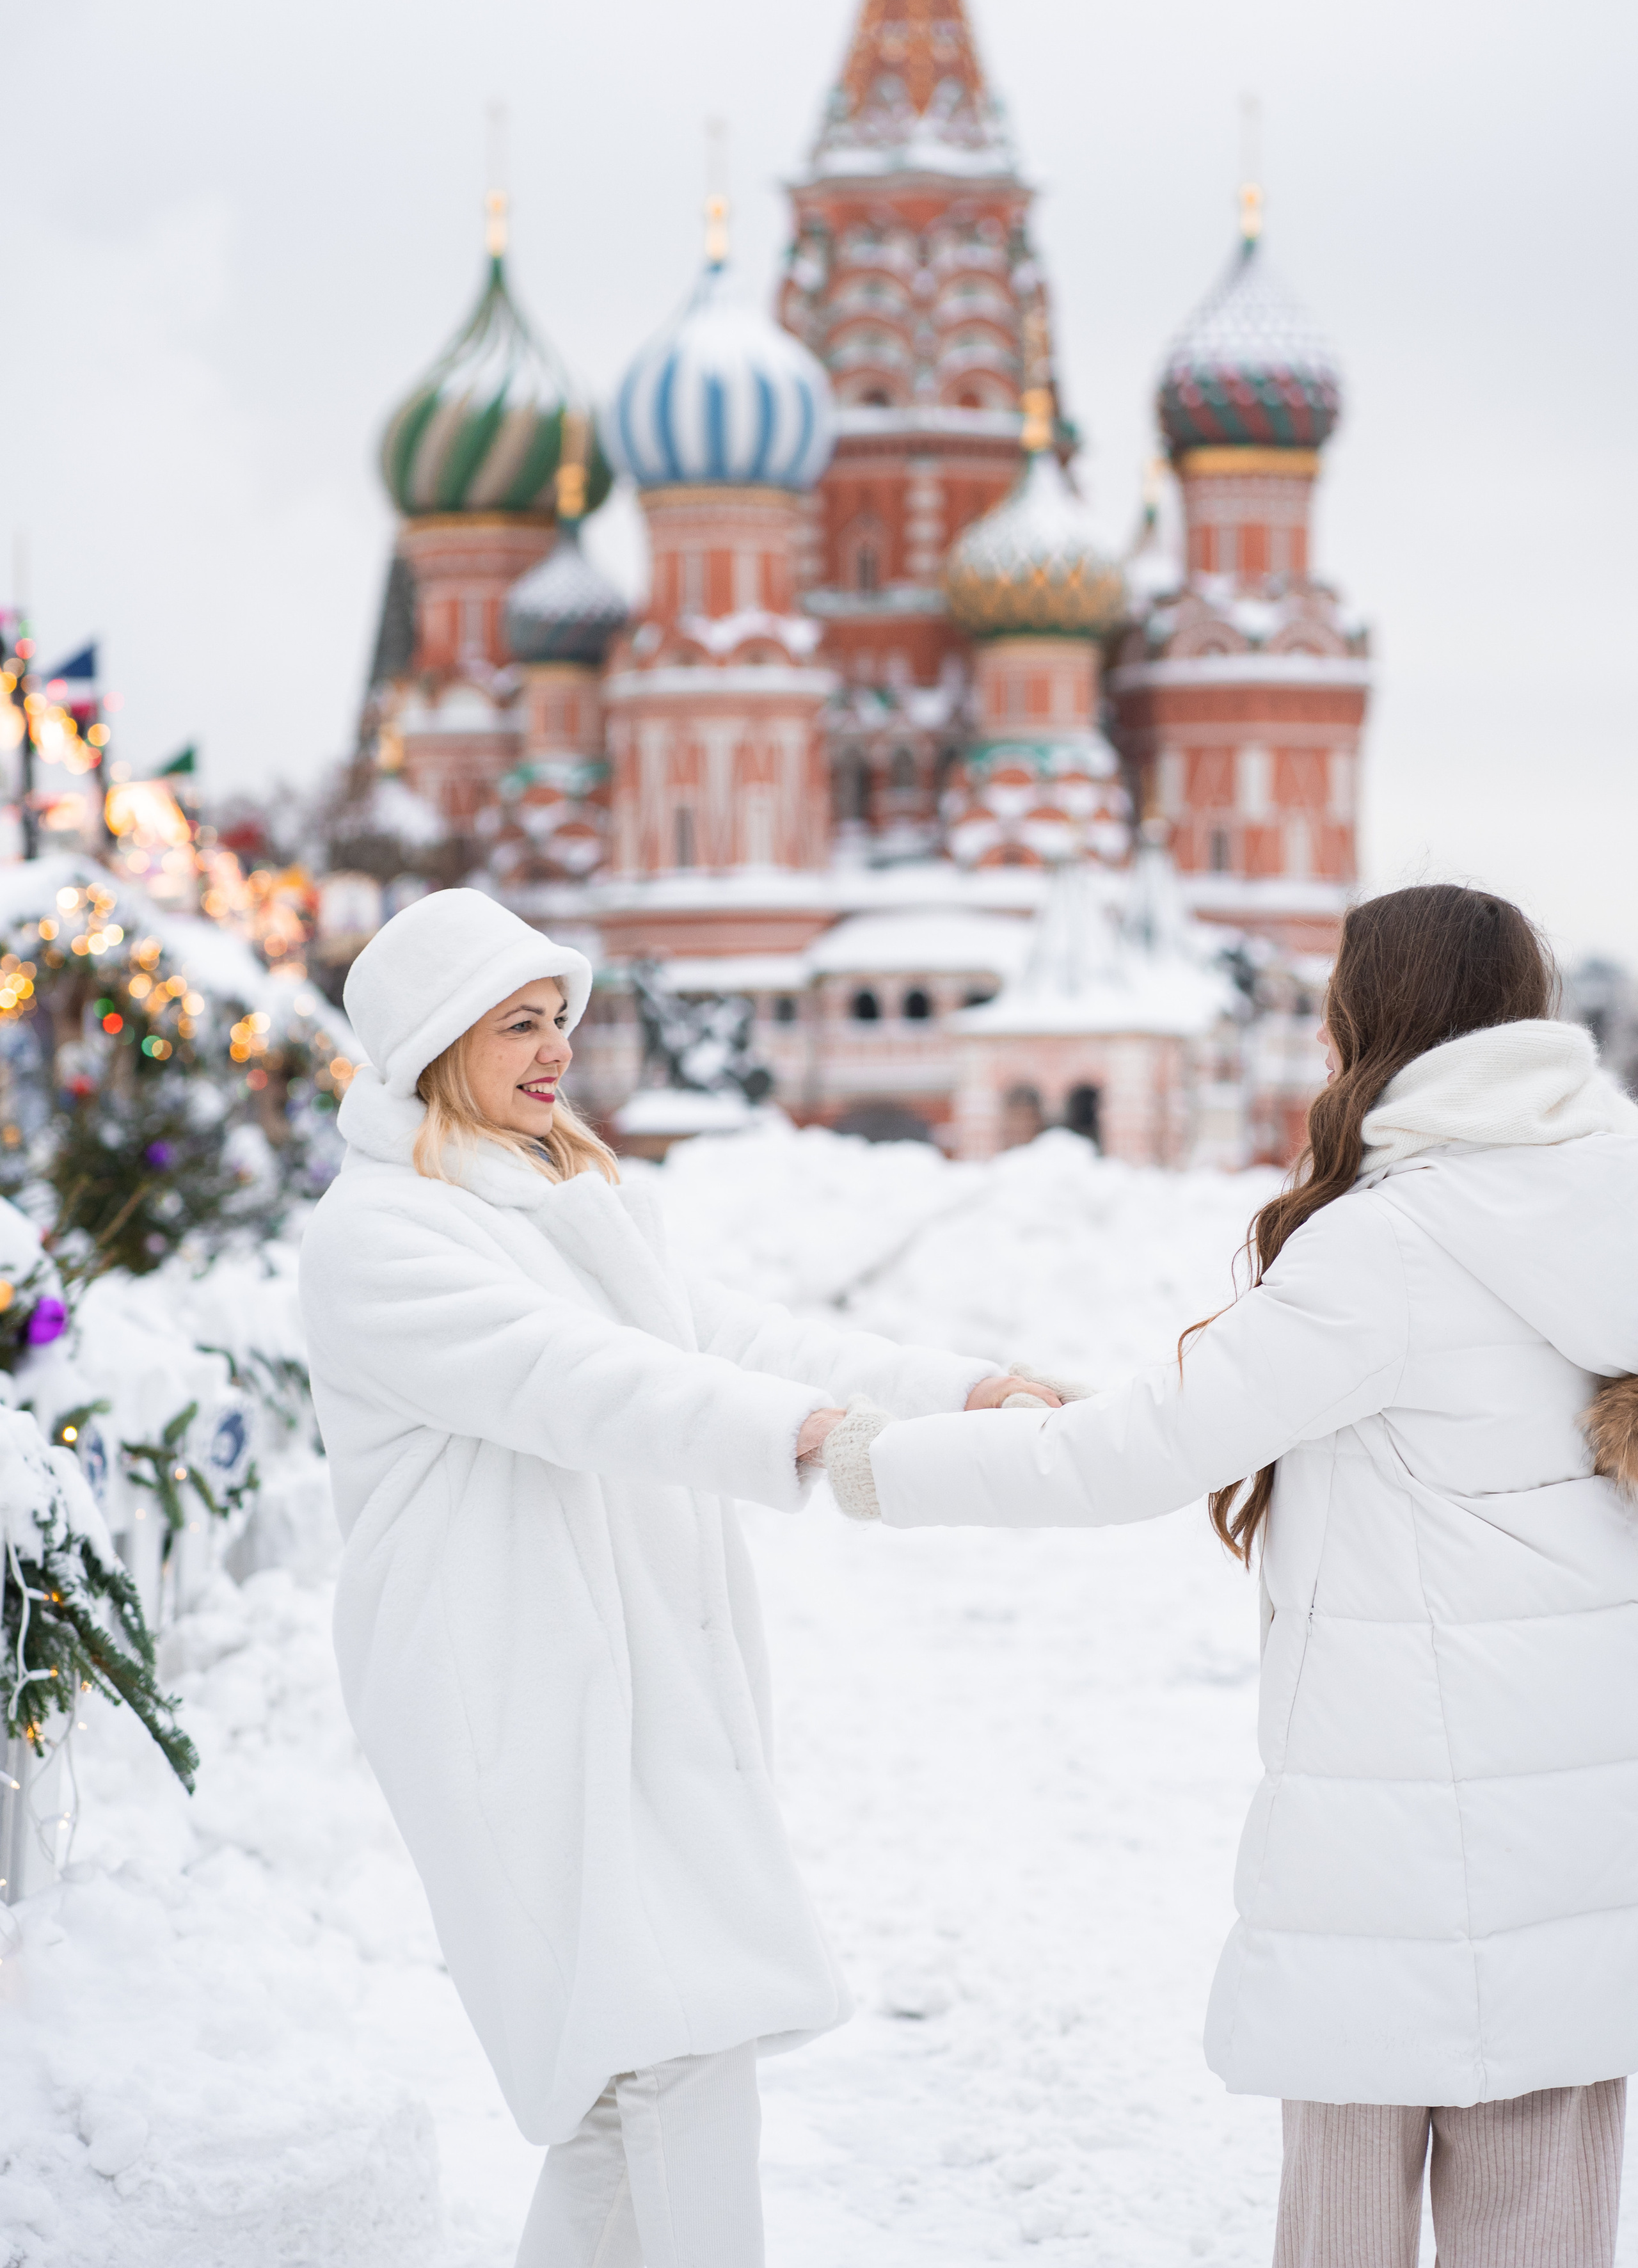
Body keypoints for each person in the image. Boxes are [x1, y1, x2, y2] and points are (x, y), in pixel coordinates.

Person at [813, 884, 1638, 2267]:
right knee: (1542, 2224)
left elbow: (1127, 1457)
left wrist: (870, 1463)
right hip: (1578, 1834)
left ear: (1369, 1021)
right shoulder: (1606, 1206)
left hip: (1394, 1846)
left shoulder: (1389, 1244)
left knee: (1343, 2223)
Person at [297, 886, 1056, 2268]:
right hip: (506, 1690)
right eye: (517, 1025)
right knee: (672, 2043)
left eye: (558, 1024)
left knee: (632, 2073)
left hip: (628, 1683)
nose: (552, 1053)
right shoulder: (382, 1233)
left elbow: (717, 1333)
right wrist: (801, 1437)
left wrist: (954, 1390)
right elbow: (573, 1381)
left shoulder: (552, 1196)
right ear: (432, 1040)